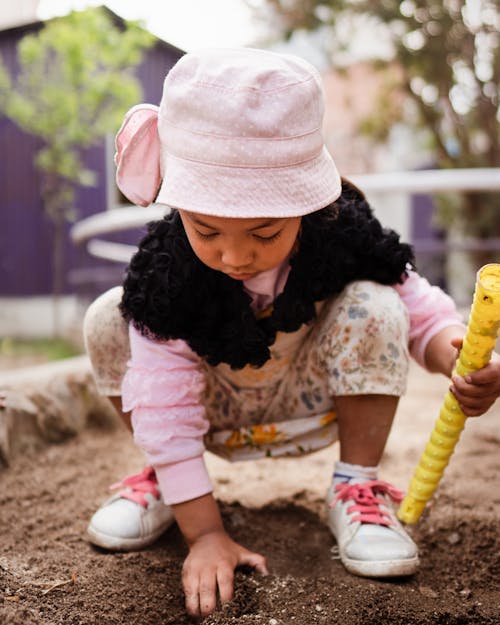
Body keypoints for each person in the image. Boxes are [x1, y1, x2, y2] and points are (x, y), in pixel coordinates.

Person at [83, 47, 500, 618]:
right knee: (111, 315)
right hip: (211, 413)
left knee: (374, 302)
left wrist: (455, 354)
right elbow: (162, 401)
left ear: (305, 205)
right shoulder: (169, 274)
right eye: (206, 230)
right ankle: (171, 481)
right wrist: (205, 535)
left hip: (313, 404)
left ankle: (356, 486)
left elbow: (422, 310)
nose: (234, 255)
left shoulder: (342, 234)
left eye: (264, 231)